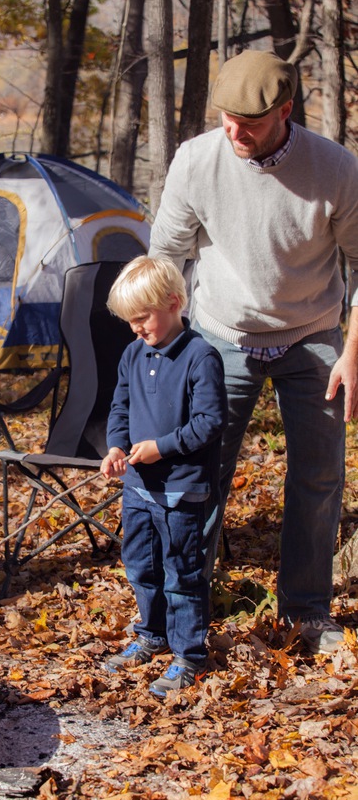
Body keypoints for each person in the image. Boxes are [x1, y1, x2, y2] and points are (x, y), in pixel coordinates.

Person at [149, 49, 358, 655]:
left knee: (318, 478)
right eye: (226, 120)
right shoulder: (197, 160)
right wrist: (170, 343)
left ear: (285, 111)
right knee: (201, 474)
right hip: (221, 334)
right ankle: (186, 608)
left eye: (250, 123)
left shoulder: (337, 169)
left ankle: (307, 614)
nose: (235, 134)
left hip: (313, 335)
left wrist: (352, 354)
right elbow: (167, 253)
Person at [100, 255, 228, 694]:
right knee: (140, 565)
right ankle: (151, 635)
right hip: (138, 488)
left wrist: (161, 448)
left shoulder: (200, 356)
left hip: (181, 490)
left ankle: (190, 655)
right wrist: (116, 447)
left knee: (182, 572)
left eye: (142, 318)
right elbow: (120, 408)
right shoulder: (133, 354)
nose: (136, 328)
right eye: (129, 321)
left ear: (174, 302)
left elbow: (210, 423)